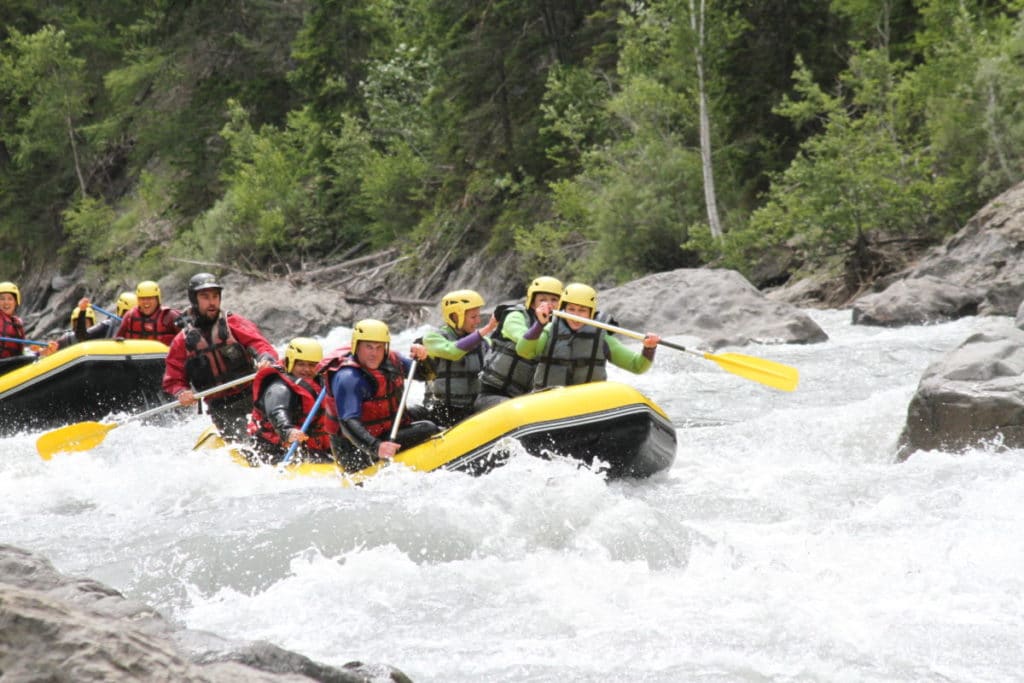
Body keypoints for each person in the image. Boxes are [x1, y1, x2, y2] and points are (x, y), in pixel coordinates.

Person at [163, 272, 278, 441]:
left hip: (252, 396)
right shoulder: (183, 340)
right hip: (221, 407)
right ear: (194, 299)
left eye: (215, 296)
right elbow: (173, 378)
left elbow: (261, 345)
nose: (212, 302)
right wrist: (181, 392)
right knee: (246, 446)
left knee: (271, 436)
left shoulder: (232, 322)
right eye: (205, 297)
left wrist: (265, 358)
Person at [319, 318, 438, 472]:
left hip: (382, 430)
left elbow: (427, 375)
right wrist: (376, 447)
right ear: (357, 346)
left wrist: (424, 359)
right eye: (368, 347)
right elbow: (348, 422)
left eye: (379, 347)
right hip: (355, 451)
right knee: (428, 428)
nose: (374, 354)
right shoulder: (348, 377)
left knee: (425, 412)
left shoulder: (392, 360)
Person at [517, 282, 661, 388]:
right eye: (571, 309)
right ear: (563, 309)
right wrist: (539, 325)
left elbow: (638, 366)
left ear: (591, 313)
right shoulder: (549, 331)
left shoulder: (602, 338)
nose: (575, 315)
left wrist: (649, 349)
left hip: (587, 403)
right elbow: (523, 351)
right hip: (550, 401)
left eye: (582, 310)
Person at [476, 276, 563, 410]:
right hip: (492, 394)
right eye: (542, 299)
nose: (548, 304)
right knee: (517, 410)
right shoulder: (515, 316)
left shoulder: (558, 326)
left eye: (554, 300)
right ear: (533, 302)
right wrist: (540, 325)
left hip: (525, 398)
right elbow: (524, 341)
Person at [248, 337, 332, 464]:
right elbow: (277, 411)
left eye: (311, 365)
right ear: (290, 363)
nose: (307, 369)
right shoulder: (278, 387)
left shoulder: (321, 381)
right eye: (301, 364)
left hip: (312, 445)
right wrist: (288, 431)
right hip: (272, 447)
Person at [421, 289, 498, 427]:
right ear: (455, 316)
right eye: (473, 317)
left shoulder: (484, 342)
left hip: (472, 407)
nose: (478, 321)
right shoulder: (433, 338)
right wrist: (487, 329)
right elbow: (453, 351)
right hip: (443, 409)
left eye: (478, 316)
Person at [116, 280, 183, 346]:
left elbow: (186, 341)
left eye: (150, 298)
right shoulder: (129, 315)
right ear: (138, 300)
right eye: (142, 298)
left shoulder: (170, 316)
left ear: (157, 299)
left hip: (164, 356)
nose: (146, 302)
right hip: (136, 356)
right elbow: (117, 341)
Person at [0, 281, 27, 358]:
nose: (6, 302)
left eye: (10, 299)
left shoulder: (17, 323)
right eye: (2, 299)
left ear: (15, 302)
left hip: (13, 364)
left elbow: (22, 351)